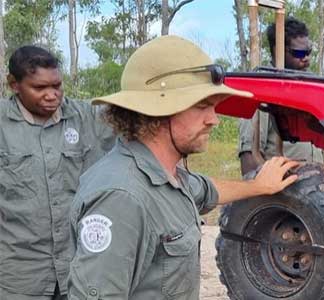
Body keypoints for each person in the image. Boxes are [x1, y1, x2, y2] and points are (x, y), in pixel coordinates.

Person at [68, 35, 299, 300]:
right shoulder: (121, 197)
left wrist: (258, 186)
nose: (213, 120)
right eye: (202, 106)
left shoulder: (166, 176)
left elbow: (207, 190)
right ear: (158, 111)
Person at [0, 46, 115, 299]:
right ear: (14, 84)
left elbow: (138, 120)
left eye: (57, 85)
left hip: (78, 271)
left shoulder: (87, 118)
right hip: (18, 276)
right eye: (39, 88)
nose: (52, 95)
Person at [239, 17, 324, 175]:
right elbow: (249, 160)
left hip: (316, 187)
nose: (306, 58)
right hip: (286, 191)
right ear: (277, 50)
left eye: (308, 52)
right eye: (298, 53)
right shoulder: (262, 92)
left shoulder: (308, 90)